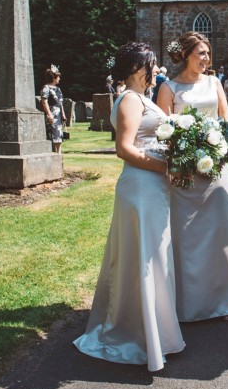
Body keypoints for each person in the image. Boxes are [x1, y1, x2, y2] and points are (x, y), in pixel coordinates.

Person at [74, 42, 184, 372]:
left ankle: (158, 334)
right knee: (144, 256)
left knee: (154, 255)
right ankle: (135, 335)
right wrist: (167, 168)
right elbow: (124, 149)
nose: (156, 72)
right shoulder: (130, 100)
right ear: (139, 69)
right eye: (152, 66)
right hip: (140, 187)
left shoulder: (143, 99)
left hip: (153, 188)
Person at [157, 31, 228, 322]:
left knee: (220, 231)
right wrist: (183, 154)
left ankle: (226, 300)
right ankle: (189, 303)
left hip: (215, 169)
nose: (206, 58)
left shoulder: (215, 82)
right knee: (188, 235)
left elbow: (225, 122)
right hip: (185, 173)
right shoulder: (169, 88)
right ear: (186, 54)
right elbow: (163, 132)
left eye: (207, 53)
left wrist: (221, 148)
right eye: (200, 53)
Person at [40, 66, 65, 153]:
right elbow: (44, 101)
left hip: (59, 115)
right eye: (58, 77)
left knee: (59, 135)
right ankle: (53, 154)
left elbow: (60, 103)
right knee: (53, 135)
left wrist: (63, 114)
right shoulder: (46, 88)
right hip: (52, 114)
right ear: (54, 78)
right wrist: (49, 114)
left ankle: (59, 154)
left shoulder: (58, 89)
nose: (59, 79)